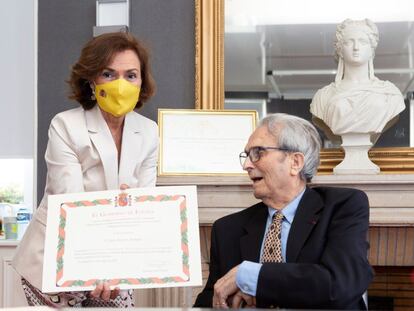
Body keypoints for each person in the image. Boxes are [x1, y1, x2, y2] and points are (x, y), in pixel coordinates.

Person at [12, 32, 158, 307]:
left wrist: (135, 209)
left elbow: (145, 207)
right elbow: (70, 202)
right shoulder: (66, 125)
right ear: (92, 79)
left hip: (115, 267)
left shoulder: (149, 132)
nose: (121, 84)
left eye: (131, 75)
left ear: (142, 81)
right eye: (108, 73)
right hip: (55, 258)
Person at [194, 113, 374, 309]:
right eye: (246, 156)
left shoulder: (342, 207)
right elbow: (211, 298)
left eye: (258, 153)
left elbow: (340, 284)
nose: (247, 165)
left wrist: (247, 276)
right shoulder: (227, 229)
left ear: (295, 162)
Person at [310, 19, 405, 143]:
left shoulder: (390, 95)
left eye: (363, 42)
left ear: (371, 49)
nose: (356, 47)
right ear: (340, 49)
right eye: (349, 42)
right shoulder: (322, 97)